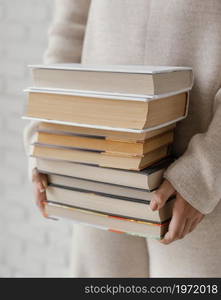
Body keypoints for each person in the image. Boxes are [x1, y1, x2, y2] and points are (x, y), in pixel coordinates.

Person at [24, 0, 221, 277]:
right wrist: (44, 144)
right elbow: (68, 31)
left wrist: (205, 172)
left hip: (200, 182)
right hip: (97, 165)